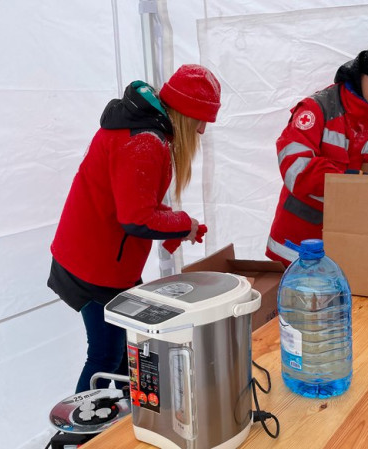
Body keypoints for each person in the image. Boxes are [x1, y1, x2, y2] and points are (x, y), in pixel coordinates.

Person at [47, 64, 221, 393]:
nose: (201, 132)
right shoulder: (145, 143)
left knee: (130, 349)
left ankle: (134, 414)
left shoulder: (144, 133)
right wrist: (184, 223)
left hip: (102, 261)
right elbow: (137, 218)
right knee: (105, 355)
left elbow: (136, 202)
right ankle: (78, 438)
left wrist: (179, 230)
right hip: (94, 267)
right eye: (201, 120)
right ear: (186, 114)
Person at [266, 32, 368, 267]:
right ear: (365, 70)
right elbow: (295, 168)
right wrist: (353, 183)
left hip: (351, 246)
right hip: (298, 246)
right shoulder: (316, 109)